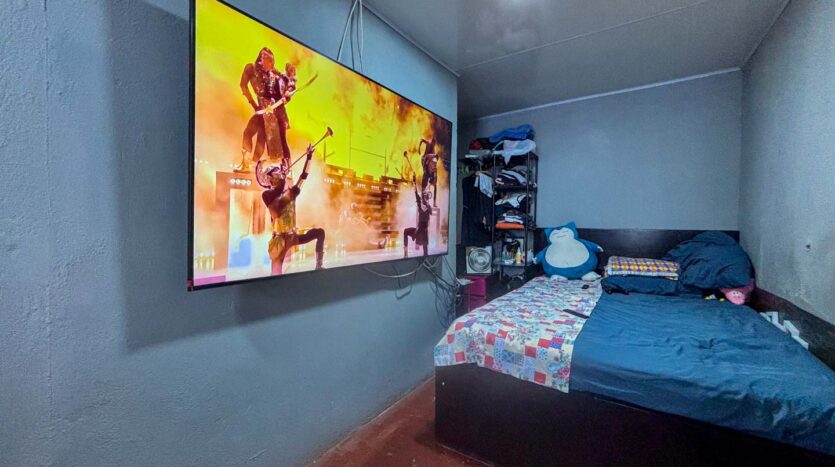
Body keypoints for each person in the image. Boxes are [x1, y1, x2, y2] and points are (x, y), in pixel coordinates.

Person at [260, 145, 325, 274]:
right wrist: (283, 183)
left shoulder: (290, 192)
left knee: (320, 233)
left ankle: (319, 265)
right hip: (280, 240)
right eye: (276, 172)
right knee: (276, 273)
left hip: (292, 236)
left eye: (279, 171)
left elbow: (303, 176)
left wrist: (309, 157)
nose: (279, 173)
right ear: (270, 178)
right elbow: (276, 210)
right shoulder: (267, 195)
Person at [236, 47, 296, 172]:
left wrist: (289, 87)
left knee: (275, 139)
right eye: (268, 61)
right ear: (262, 59)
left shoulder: (274, 73)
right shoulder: (251, 69)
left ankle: (286, 170)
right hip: (263, 111)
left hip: (275, 113)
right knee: (249, 133)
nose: (271, 65)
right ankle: (247, 164)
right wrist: (254, 105)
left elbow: (284, 89)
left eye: (272, 62)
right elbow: (243, 85)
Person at [403, 175, 432, 258]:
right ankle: (405, 252)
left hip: (422, 232)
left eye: (425, 197)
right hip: (419, 231)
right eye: (423, 196)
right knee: (406, 231)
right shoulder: (421, 204)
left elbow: (428, 217)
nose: (423, 198)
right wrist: (414, 182)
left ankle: (418, 251)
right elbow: (415, 192)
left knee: (425, 252)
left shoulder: (428, 207)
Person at [418, 136, 439, 206]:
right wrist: (419, 149)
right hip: (425, 162)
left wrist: (434, 176)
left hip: (429, 165)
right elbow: (421, 140)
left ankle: (434, 201)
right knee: (425, 178)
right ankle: (422, 198)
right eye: (434, 144)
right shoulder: (429, 144)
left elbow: (435, 165)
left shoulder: (434, 154)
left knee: (435, 185)